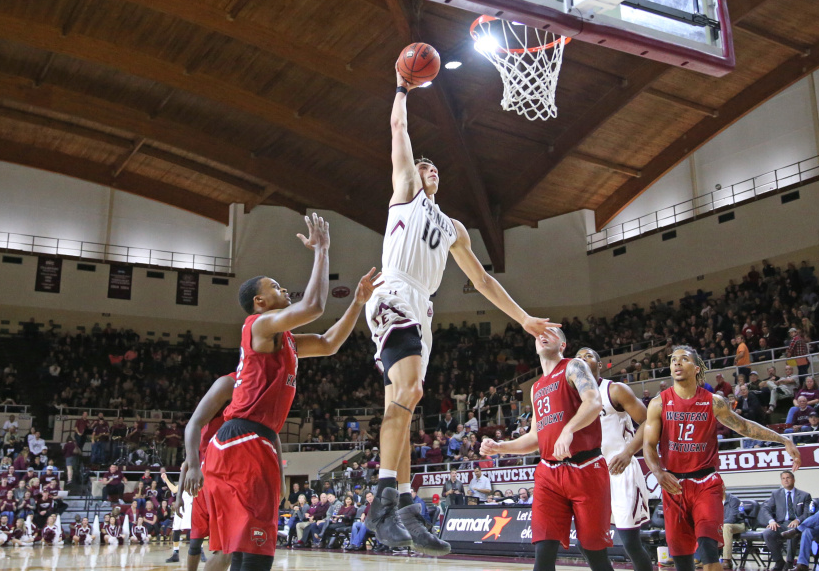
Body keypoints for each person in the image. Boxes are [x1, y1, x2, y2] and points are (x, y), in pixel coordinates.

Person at [364, 73, 557, 555]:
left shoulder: (453, 227)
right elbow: (398, 129)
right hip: (394, 291)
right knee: (410, 392)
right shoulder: (405, 191)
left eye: (433, 168)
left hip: (422, 308)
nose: (428, 170)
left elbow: (484, 281)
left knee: (402, 407)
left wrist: (524, 319)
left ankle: (405, 507)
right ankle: (381, 504)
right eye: (422, 165)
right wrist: (402, 89)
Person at [202, 214, 380, 571]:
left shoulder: (286, 340)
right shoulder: (259, 324)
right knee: (256, 548)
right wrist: (322, 250)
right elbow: (313, 307)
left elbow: (328, 344)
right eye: (275, 286)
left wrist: (358, 303)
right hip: (244, 439)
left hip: (250, 439)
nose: (284, 289)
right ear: (259, 301)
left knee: (243, 548)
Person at [644, 346, 801, 571]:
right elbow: (649, 445)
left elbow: (743, 426)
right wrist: (658, 472)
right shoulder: (658, 403)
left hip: (706, 484)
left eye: (684, 359)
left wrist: (782, 439)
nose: (676, 363)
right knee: (682, 559)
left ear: (696, 368)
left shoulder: (713, 401)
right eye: (673, 360)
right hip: (674, 485)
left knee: (708, 549)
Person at [481, 328, 613, 571]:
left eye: (551, 333)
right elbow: (535, 437)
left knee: (593, 550)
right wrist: (500, 447)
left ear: (562, 345)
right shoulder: (536, 387)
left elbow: (594, 402)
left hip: (586, 468)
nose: (542, 335)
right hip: (549, 474)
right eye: (539, 333)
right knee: (543, 551)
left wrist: (568, 429)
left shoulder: (573, 366)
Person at [576, 347, 653, 571]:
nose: (583, 360)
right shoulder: (572, 398)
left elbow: (648, 422)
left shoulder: (615, 390)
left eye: (588, 356)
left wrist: (628, 453)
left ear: (599, 365)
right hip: (592, 475)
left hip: (621, 469)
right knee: (585, 542)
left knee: (630, 543)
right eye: (578, 358)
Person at [171, 373, 236, 567]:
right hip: (204, 489)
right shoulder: (202, 428)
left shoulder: (229, 422)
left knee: (221, 547)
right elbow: (186, 465)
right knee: (197, 544)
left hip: (218, 486)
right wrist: (178, 497)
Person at [759, 471, 812, 571]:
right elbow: (766, 509)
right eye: (783, 478)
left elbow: (807, 513)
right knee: (767, 533)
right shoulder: (776, 494)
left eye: (788, 478)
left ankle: (789, 562)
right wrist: (771, 521)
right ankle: (779, 561)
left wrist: (798, 520)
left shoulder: (804, 495)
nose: (786, 480)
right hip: (781, 524)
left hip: (798, 525)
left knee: (791, 530)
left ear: (794, 480)